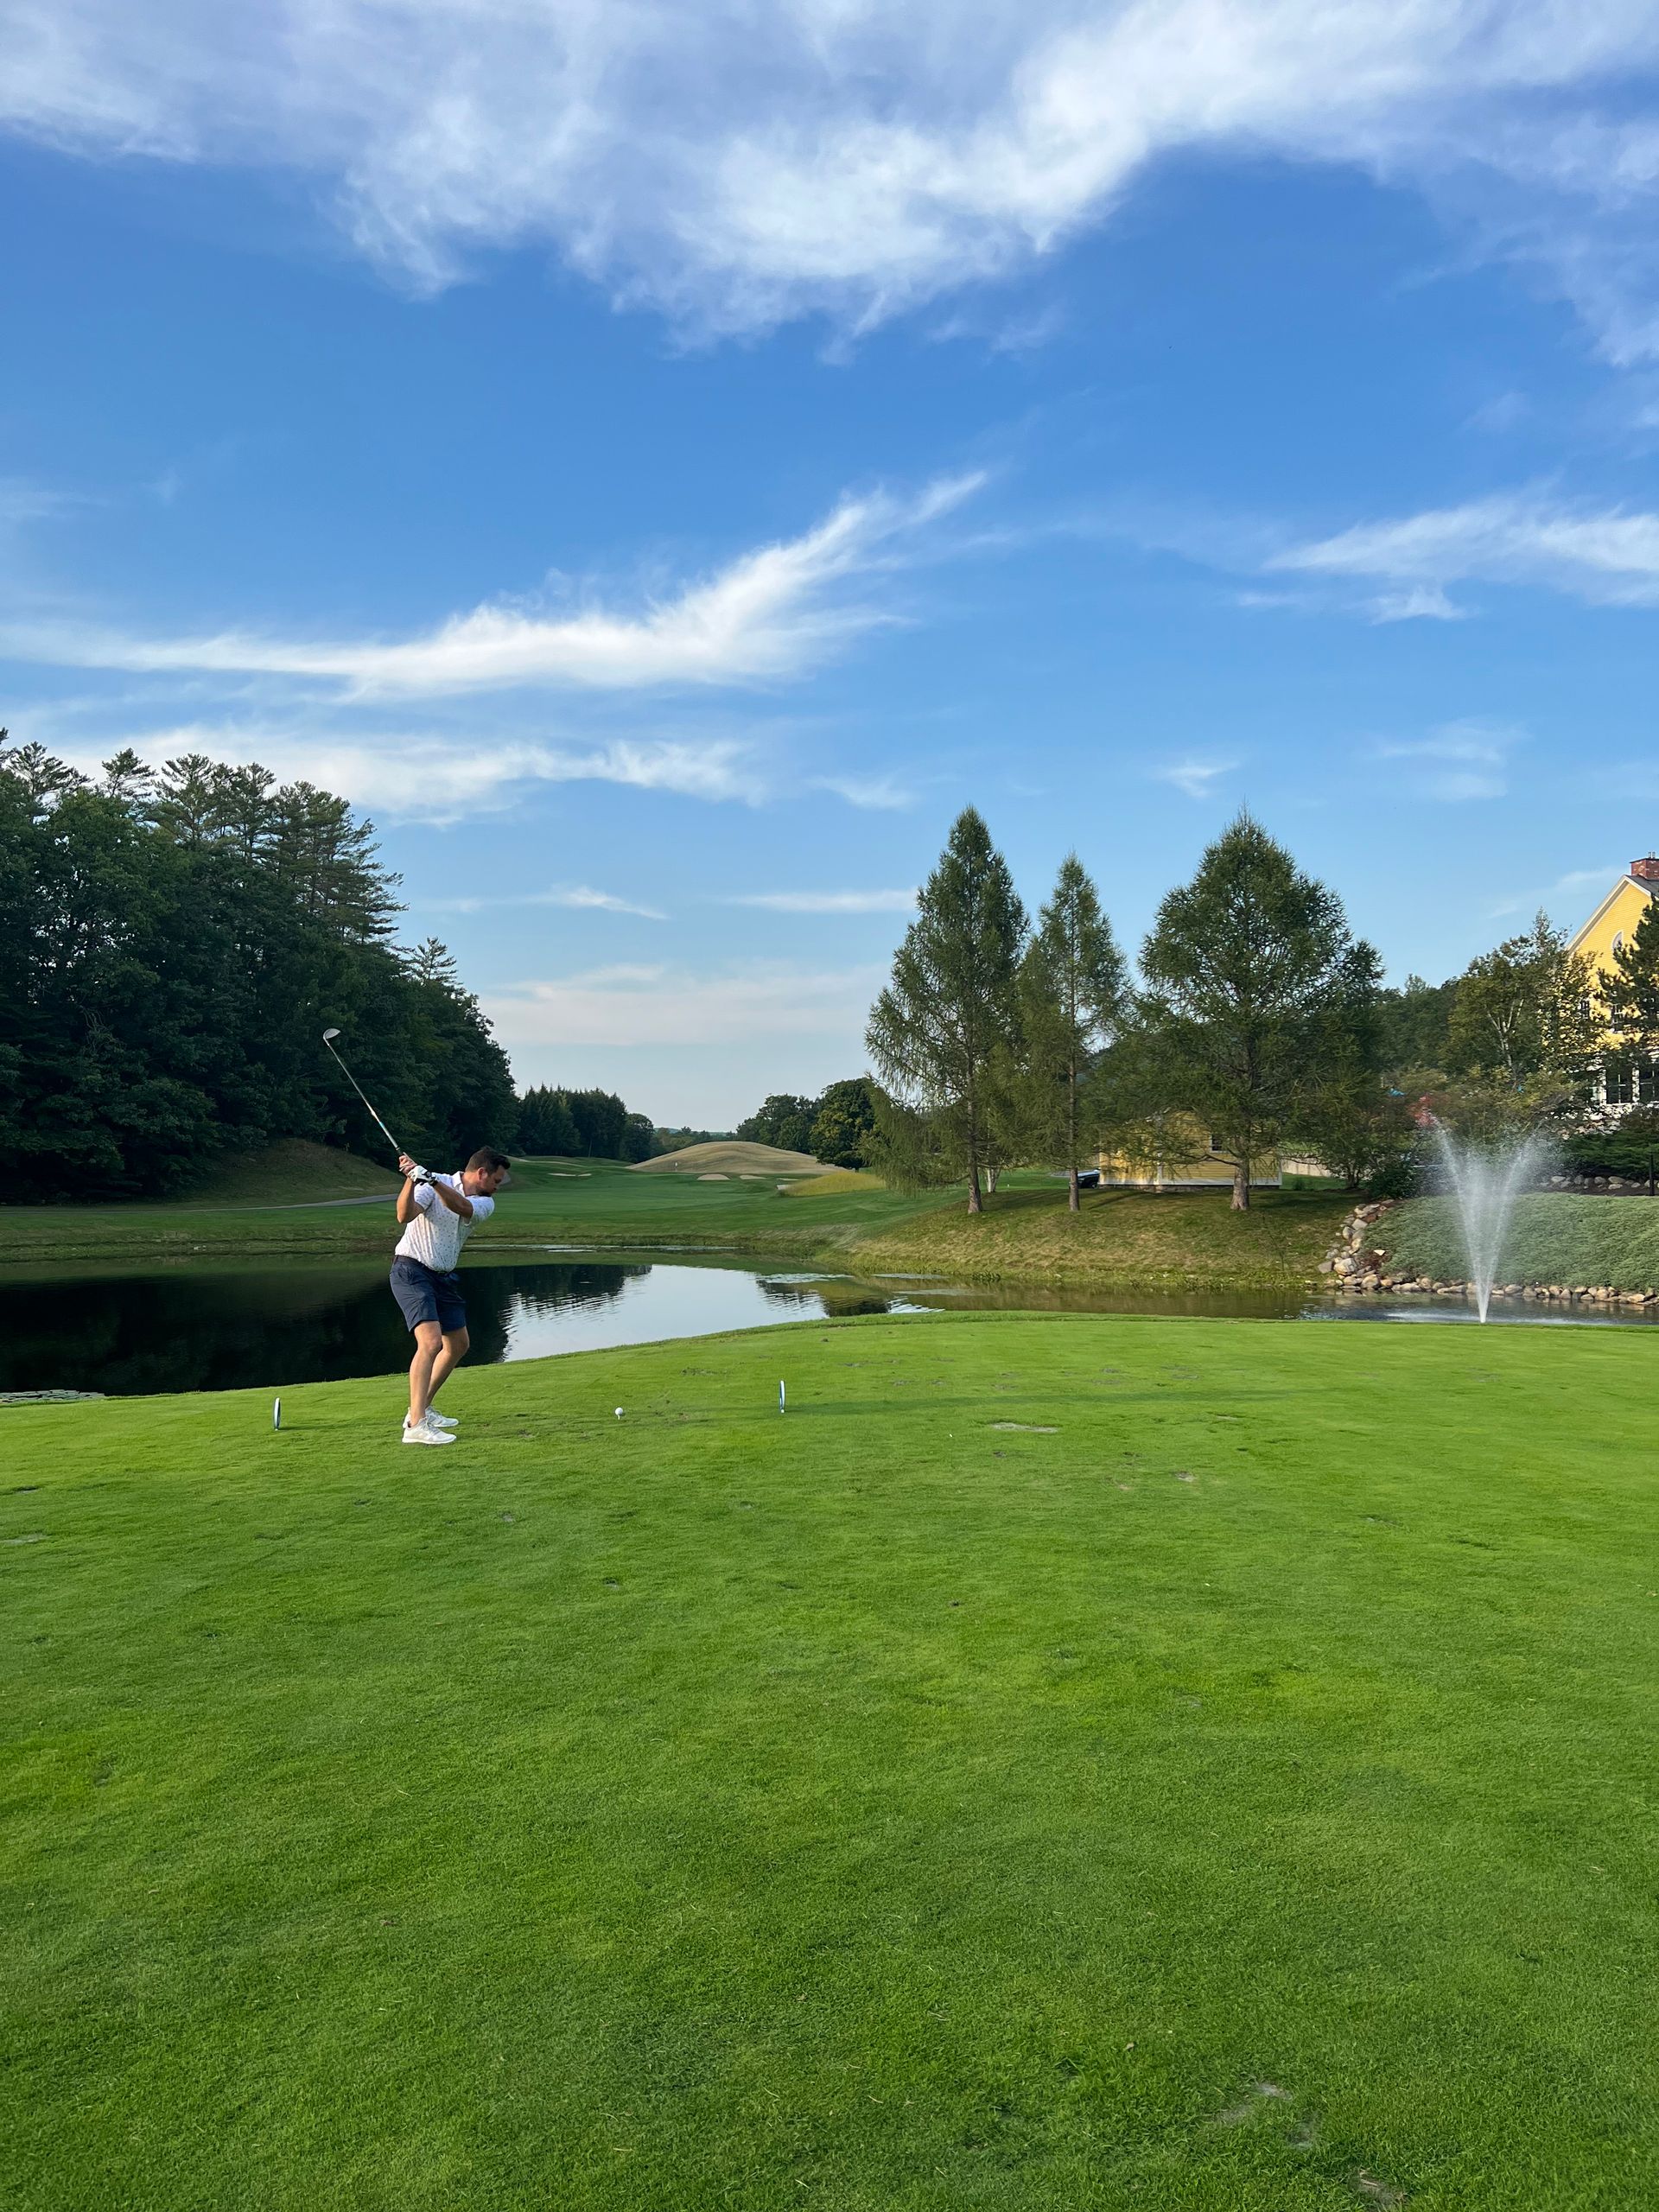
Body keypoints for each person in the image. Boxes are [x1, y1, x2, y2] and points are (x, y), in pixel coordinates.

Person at [389, 1146, 512, 1445]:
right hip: (411, 1270)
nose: (498, 1187)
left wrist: (428, 1179)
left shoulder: (483, 1203)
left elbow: (461, 1207)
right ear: (481, 1173)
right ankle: (415, 1426)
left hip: (442, 1278)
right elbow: (404, 1215)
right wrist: (410, 1179)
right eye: (496, 1180)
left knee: (458, 1344)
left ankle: (419, 1409)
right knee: (430, 1342)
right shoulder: (432, 1184)